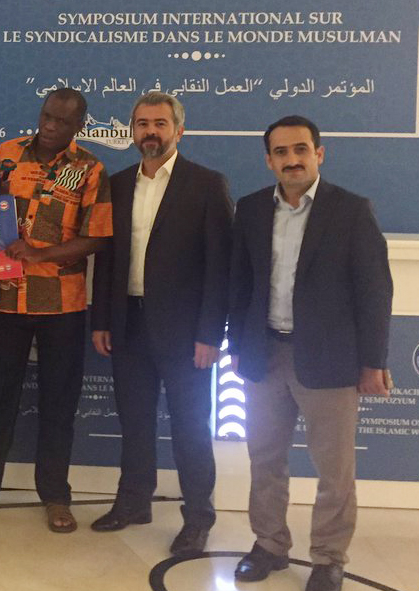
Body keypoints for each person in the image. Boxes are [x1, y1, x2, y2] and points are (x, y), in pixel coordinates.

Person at [229, 115, 392, 591]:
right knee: (265, 459)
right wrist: (237, 346)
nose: (292, 159)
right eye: (281, 152)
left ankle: (328, 557)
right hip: (264, 355)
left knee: (334, 470)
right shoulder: (251, 209)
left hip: (330, 360)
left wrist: (373, 362)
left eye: (300, 149)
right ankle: (269, 545)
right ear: (269, 161)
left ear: (319, 154)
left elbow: (375, 292)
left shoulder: (352, 210)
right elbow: (240, 284)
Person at [0, 88, 112, 533]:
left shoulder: (90, 169)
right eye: (46, 116)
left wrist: (40, 253)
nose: (50, 126)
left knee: (59, 403)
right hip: (5, 298)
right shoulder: (7, 155)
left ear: (79, 126)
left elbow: (96, 237)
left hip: (62, 306)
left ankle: (56, 497)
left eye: (62, 121)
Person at [89, 92, 233, 556]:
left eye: (159, 123)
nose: (150, 131)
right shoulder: (117, 184)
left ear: (178, 131)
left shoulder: (206, 184)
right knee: (134, 421)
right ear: (132, 130)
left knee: (191, 427)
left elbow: (220, 266)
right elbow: (107, 259)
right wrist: (102, 319)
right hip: (127, 323)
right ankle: (134, 502)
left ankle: (198, 518)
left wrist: (210, 334)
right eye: (142, 123)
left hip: (186, 333)